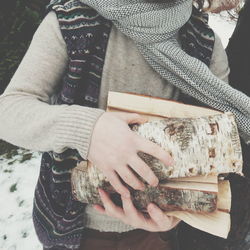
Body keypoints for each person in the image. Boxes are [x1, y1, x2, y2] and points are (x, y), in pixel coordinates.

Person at [0, 0, 248, 249]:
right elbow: (9, 110)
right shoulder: (73, 22)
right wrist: (89, 130)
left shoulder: (204, 43)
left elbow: (216, 154)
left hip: (156, 236)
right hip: (72, 229)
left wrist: (174, 217)